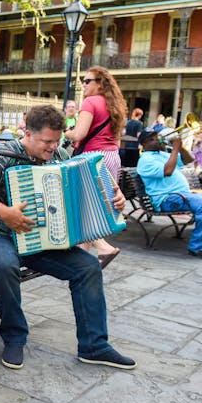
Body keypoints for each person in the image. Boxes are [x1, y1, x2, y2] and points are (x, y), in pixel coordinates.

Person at [0, 104, 136, 371]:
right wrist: (6, 213)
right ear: (28, 133)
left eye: (57, 141)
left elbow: (91, 185)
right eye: (47, 141)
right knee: (4, 265)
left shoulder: (61, 156)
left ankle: (94, 346)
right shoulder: (3, 155)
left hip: (39, 239)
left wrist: (115, 198)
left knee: (87, 267)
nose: (53, 147)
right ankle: (15, 337)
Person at [63, 66, 126, 266]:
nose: (84, 84)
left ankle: (104, 248)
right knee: (95, 206)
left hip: (92, 158)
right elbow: (117, 141)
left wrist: (67, 132)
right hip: (111, 157)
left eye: (88, 80)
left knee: (82, 206)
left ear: (100, 83)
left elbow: (79, 134)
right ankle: (82, 257)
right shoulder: (114, 105)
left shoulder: (90, 102)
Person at [136, 128, 202, 260]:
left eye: (157, 137)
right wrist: (175, 149)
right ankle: (197, 248)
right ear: (144, 144)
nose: (157, 140)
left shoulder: (162, 154)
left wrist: (180, 147)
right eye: (152, 139)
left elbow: (188, 159)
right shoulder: (145, 160)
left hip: (183, 195)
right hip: (167, 199)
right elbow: (167, 171)